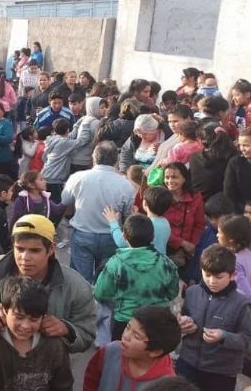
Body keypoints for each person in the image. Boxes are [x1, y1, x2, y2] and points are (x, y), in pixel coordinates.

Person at [0, 214, 96, 353]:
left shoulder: (76, 286)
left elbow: (87, 334)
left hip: (45, 368)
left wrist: (67, 330)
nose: (25, 257)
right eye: (19, 249)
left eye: (35, 250)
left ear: (51, 249)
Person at [0, 276, 73, 391]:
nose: (25, 326)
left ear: (43, 317)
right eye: (19, 317)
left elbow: (63, 385)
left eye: (34, 319)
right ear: (5, 310)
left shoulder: (54, 343)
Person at [177, 244, 251, 391]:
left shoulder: (242, 304)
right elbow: (184, 316)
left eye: (219, 277)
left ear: (233, 275)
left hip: (221, 372)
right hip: (187, 362)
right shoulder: (192, 293)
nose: (212, 281)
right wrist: (184, 324)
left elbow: (247, 340)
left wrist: (224, 336)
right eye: (207, 274)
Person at [93, 214, 179, 340]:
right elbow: (173, 293)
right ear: (153, 237)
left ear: (124, 236)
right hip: (159, 320)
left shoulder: (115, 263)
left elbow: (100, 293)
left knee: (122, 356)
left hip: (126, 322)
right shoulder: (166, 263)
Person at [61, 141, 136, 283]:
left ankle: (84, 303)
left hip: (83, 233)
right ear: (116, 160)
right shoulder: (125, 184)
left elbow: (65, 200)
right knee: (107, 279)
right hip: (111, 235)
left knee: (81, 280)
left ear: (94, 157)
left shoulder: (78, 177)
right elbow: (127, 213)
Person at [83, 306, 181, 391]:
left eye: (136, 336)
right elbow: (91, 381)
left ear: (155, 352)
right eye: (128, 327)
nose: (126, 336)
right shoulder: (110, 351)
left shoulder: (165, 384)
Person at [105, 186, 173, 254]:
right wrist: (136, 217)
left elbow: (121, 242)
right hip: (158, 261)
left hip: (144, 262)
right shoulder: (165, 223)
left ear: (145, 203)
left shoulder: (146, 225)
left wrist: (113, 221)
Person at [216, 215, 251, 296]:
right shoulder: (247, 253)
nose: (217, 235)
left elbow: (245, 292)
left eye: (220, 232)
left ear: (231, 239)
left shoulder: (234, 261)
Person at [224, 126, 251, 214]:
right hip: (243, 211)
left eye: (246, 145)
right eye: (240, 145)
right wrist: (244, 207)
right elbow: (229, 193)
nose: (242, 149)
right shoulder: (235, 163)